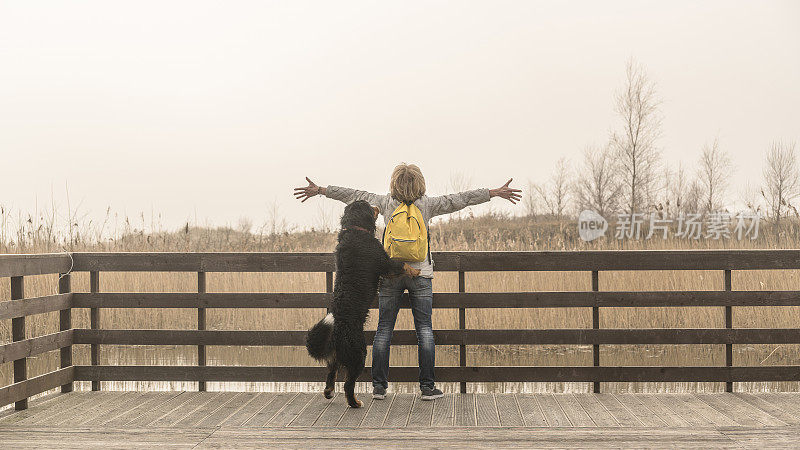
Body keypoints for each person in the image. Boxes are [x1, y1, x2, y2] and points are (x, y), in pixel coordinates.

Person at [294, 163, 521, 400]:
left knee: (384, 330)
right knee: (424, 330)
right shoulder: (428, 205)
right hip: (420, 273)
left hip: (391, 273)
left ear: (393, 183)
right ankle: (427, 388)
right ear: (420, 184)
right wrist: (492, 193)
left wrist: (321, 189)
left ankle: (379, 388)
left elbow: (352, 195)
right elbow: (459, 199)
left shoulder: (384, 203)